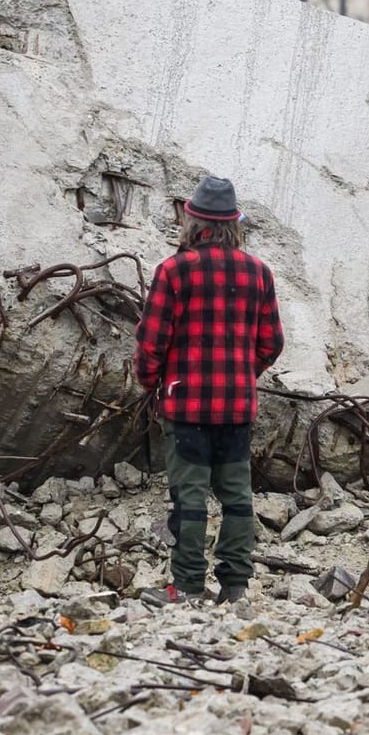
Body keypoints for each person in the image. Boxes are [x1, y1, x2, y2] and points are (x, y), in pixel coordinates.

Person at [134, 176, 284, 605]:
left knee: (190, 497)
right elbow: (272, 343)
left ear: (193, 221)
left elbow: (151, 345)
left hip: (185, 405)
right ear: (234, 225)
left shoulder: (173, 271)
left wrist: (153, 383)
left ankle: (186, 587)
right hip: (237, 405)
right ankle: (235, 586)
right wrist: (240, 373)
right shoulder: (259, 273)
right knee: (238, 495)